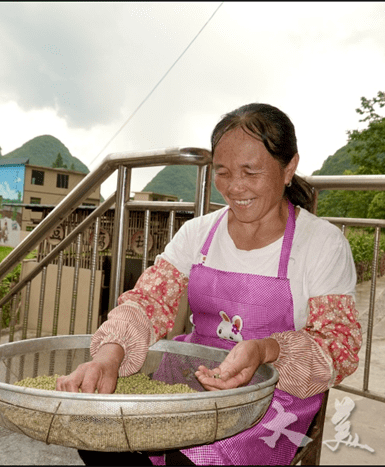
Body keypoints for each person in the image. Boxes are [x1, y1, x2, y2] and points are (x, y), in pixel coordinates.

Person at [57, 103, 362, 465]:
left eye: (251, 172)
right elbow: (148, 301)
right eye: (223, 172)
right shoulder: (198, 233)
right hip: (193, 375)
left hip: (274, 396)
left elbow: (338, 345)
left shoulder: (321, 243)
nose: (235, 188)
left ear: (289, 168)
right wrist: (108, 358)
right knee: (97, 433)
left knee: (196, 458)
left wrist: (263, 351)